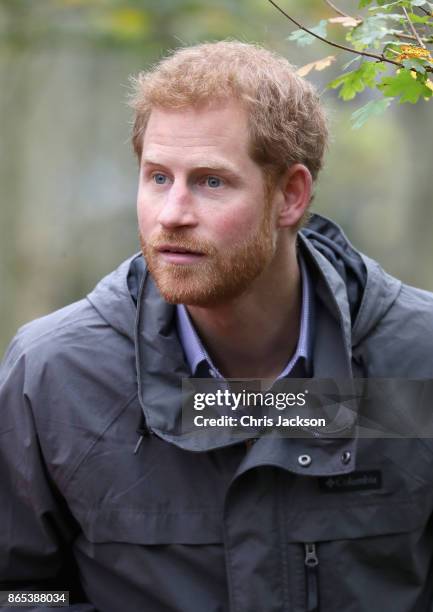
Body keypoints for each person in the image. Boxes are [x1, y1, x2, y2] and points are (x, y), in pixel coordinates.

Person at [1, 40, 433, 612]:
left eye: (210, 181)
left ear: (290, 195)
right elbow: (23, 593)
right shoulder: (56, 375)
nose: (172, 213)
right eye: (157, 177)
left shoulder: (418, 361)